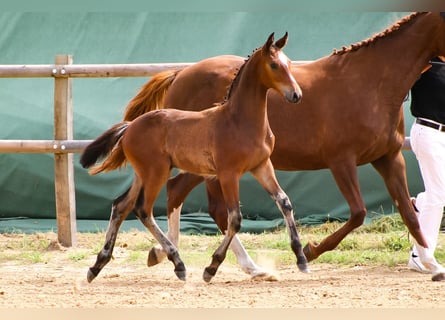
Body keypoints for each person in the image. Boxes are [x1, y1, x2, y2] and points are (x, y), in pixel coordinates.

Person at [408, 56, 445, 278]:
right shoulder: (425, 62)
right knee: (438, 195)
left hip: (442, 135)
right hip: (427, 132)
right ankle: (421, 257)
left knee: (435, 194)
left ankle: (419, 205)